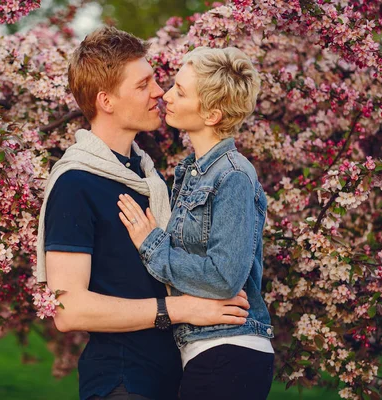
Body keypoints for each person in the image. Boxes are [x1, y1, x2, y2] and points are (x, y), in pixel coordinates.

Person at [35, 28, 251, 400]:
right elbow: (69, 309)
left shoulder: (146, 177)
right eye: (143, 84)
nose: (158, 93)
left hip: (177, 376)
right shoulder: (76, 182)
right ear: (106, 100)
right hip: (124, 381)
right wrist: (181, 308)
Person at [117, 46, 275, 400]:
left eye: (180, 91)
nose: (166, 96)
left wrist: (152, 244)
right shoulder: (190, 172)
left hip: (230, 352)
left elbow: (223, 278)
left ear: (212, 114)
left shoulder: (233, 175)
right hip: (206, 350)